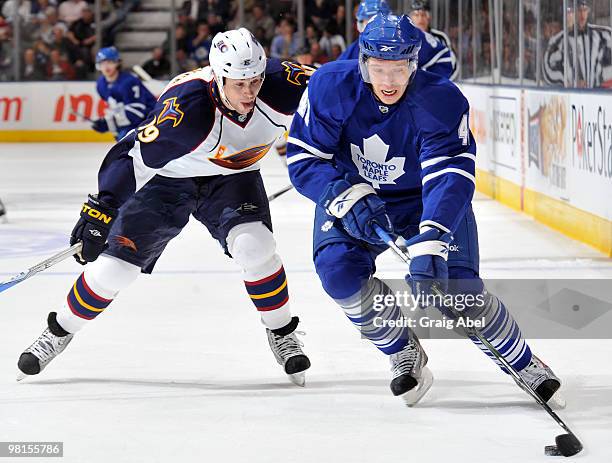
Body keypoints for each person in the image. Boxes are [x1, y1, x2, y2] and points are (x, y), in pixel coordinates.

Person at [286, 13, 561, 405]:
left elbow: (450, 173)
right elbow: (303, 158)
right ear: (364, 61)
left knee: (456, 291)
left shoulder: (440, 99)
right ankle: (402, 351)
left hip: (423, 199)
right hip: (353, 196)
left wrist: (432, 235)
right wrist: (343, 195)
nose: (389, 81)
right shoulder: (331, 86)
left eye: (399, 69)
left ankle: (523, 363)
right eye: (379, 69)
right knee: (338, 274)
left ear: (413, 64)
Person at [17, 29, 313, 386]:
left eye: (255, 81)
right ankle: (59, 331)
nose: (249, 92)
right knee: (114, 271)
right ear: (218, 76)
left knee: (256, 247)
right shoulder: (188, 111)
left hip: (233, 178)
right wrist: (102, 208)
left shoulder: (286, 83)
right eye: (238, 84)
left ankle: (281, 331)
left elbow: (343, 89)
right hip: (168, 179)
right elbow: (132, 156)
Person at [338, 0, 455, 80]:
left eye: (375, 21)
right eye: (366, 21)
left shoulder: (408, 35)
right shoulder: (355, 47)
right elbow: (336, 73)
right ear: (359, 25)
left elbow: (445, 58)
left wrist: (417, 84)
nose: (371, 26)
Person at [92, 47, 157, 140]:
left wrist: (110, 122)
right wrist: (110, 124)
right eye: (103, 63)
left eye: (110, 62)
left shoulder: (129, 81)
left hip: (149, 121)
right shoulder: (100, 84)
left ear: (117, 63)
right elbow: (116, 109)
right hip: (129, 124)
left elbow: (137, 112)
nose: (106, 67)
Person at [543, 0, 612, 88]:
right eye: (578, 10)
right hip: (573, 97)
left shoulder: (604, 35)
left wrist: (600, 78)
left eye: (584, 10)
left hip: (600, 95)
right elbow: (547, 70)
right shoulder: (557, 41)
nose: (582, 15)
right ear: (569, 13)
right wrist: (567, 80)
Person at [408, 0, 457, 80]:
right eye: (416, 15)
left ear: (429, 17)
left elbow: (452, 62)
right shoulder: (404, 39)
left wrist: (442, 84)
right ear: (411, 18)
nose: (420, 19)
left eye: (423, 15)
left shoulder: (440, 37)